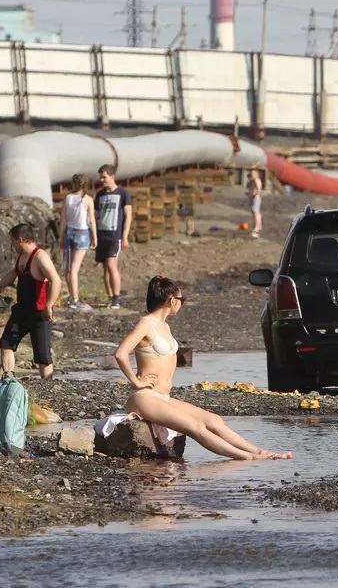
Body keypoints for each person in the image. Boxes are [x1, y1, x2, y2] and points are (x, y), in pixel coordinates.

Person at [114, 276, 292, 461]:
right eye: (181, 300)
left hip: (163, 397)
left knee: (213, 420)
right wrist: (136, 381)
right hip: (145, 397)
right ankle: (247, 457)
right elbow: (120, 353)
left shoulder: (164, 326)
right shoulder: (146, 323)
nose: (181, 304)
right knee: (195, 427)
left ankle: (258, 451)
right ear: (172, 301)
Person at [0, 223, 62, 378]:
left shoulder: (40, 257)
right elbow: (14, 273)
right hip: (22, 310)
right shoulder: (22, 256)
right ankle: (8, 379)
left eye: (12, 241)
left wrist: (49, 305)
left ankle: (48, 386)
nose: (12, 245)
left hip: (40, 313)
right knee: (6, 344)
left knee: (42, 356)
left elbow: (56, 280)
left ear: (20, 240)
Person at [94, 164, 132, 308]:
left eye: (104, 177)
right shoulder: (100, 195)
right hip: (101, 234)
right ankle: (110, 297)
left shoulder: (123, 194)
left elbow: (128, 215)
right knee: (105, 267)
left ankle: (116, 298)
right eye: (100, 177)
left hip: (114, 235)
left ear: (112, 176)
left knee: (111, 265)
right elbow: (96, 215)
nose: (102, 180)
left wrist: (125, 236)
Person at [60, 173, 98, 311]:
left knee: (68, 269)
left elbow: (63, 220)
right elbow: (92, 220)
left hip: (69, 232)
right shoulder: (88, 199)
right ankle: (75, 299)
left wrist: (60, 237)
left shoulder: (68, 198)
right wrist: (95, 237)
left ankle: (72, 297)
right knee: (74, 269)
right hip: (82, 233)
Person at [246, 168, 263, 238]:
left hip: (256, 198)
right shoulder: (252, 181)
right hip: (253, 198)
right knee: (254, 212)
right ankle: (258, 227)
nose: (251, 175)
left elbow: (258, 190)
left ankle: (257, 228)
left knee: (256, 212)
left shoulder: (257, 180)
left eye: (253, 174)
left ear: (256, 174)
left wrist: (253, 194)